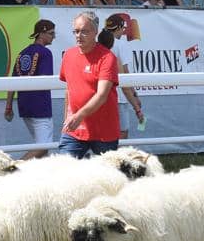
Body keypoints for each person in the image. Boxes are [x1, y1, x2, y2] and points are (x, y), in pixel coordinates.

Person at [57, 10, 120, 158]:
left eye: (84, 31)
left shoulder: (107, 58)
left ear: (95, 32)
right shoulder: (68, 55)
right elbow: (69, 90)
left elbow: (102, 95)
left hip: (104, 130)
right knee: (63, 171)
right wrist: (67, 119)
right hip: (74, 130)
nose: (79, 35)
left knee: (108, 176)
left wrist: (78, 116)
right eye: (76, 31)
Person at [4, 19, 56, 159]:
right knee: (44, 147)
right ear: (41, 34)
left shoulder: (22, 53)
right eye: (51, 33)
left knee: (42, 148)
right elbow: (46, 80)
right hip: (40, 107)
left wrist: (8, 105)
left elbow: (12, 81)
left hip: (24, 106)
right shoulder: (45, 53)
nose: (54, 36)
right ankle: (13, 169)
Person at [103, 12, 143, 140]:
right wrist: (135, 96)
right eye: (124, 28)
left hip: (102, 95)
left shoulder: (99, 43)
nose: (124, 31)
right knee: (122, 132)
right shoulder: (120, 44)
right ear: (119, 28)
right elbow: (125, 73)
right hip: (119, 96)